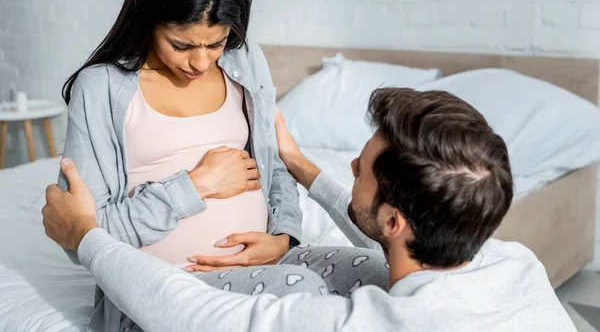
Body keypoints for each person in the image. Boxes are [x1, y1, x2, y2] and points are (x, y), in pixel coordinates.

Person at [58, 0, 387, 330]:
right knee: (300, 293)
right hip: (167, 287)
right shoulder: (101, 89)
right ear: (147, 20)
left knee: (381, 271)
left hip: (270, 262)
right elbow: (83, 233)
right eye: (181, 45)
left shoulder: (244, 60)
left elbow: (273, 168)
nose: (200, 61)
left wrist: (284, 236)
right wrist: (195, 186)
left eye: (216, 42)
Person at [44, 87, 576, 331]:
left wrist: (86, 235)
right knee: (360, 264)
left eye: (361, 171)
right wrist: (297, 165)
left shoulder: (383, 322)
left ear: (393, 219)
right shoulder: (515, 263)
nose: (349, 165)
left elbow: (197, 316)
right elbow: (395, 245)